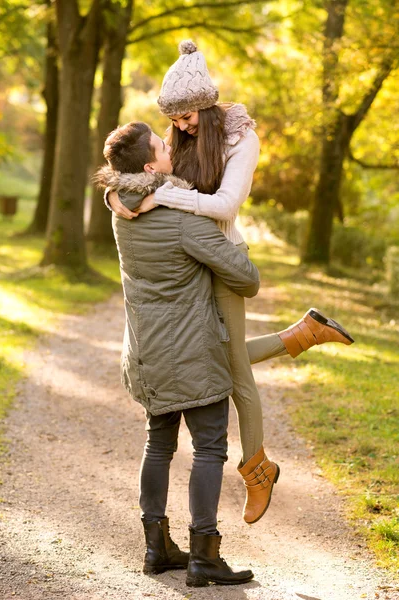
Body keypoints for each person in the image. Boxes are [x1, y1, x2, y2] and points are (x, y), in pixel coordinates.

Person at [106, 41, 354, 526]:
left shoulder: (243, 139)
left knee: (234, 366)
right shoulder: (175, 135)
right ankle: (303, 334)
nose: (179, 127)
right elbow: (138, 173)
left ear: (206, 103)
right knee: (223, 348)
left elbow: (224, 205)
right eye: (172, 119)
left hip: (223, 256)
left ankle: (257, 468)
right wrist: (119, 199)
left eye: (187, 116)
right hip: (192, 256)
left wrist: (168, 204)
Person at [96, 120, 262, 587]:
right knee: (209, 448)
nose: (171, 145)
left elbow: (118, 190)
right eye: (161, 145)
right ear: (151, 165)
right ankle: (204, 554)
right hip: (193, 352)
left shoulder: (119, 209)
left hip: (147, 354)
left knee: (159, 443)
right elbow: (246, 279)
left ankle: (156, 547)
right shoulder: (183, 220)